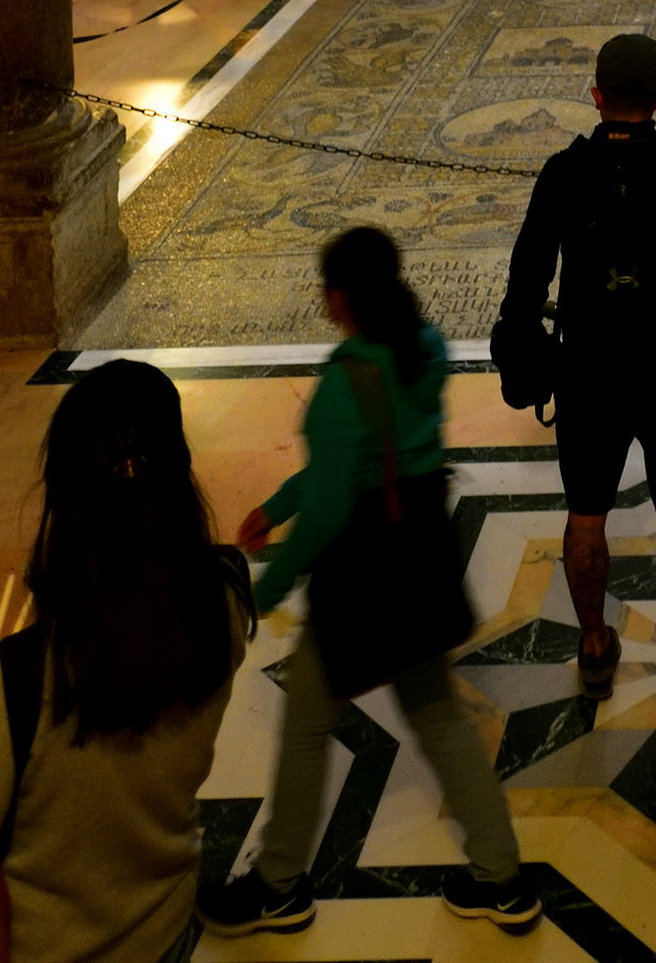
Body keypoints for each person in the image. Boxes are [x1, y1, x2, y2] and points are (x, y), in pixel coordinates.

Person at [197, 227, 539, 937]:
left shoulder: (341, 386)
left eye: (328, 287)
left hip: (362, 588)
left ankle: (278, 884)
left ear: (343, 298)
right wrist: (277, 505)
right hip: (419, 568)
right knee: (439, 718)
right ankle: (503, 878)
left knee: (304, 729)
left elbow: (329, 510)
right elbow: (367, 462)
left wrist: (263, 592)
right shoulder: (424, 350)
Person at [0, 358, 254, 963]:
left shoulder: (20, 677)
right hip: (166, 926)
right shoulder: (227, 602)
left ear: (62, 499)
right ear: (180, 480)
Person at [493, 31, 656, 706]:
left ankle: (596, 646)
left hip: (588, 367)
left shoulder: (563, 172)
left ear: (596, 97)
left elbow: (527, 275)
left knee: (586, 513)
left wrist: (523, 342)